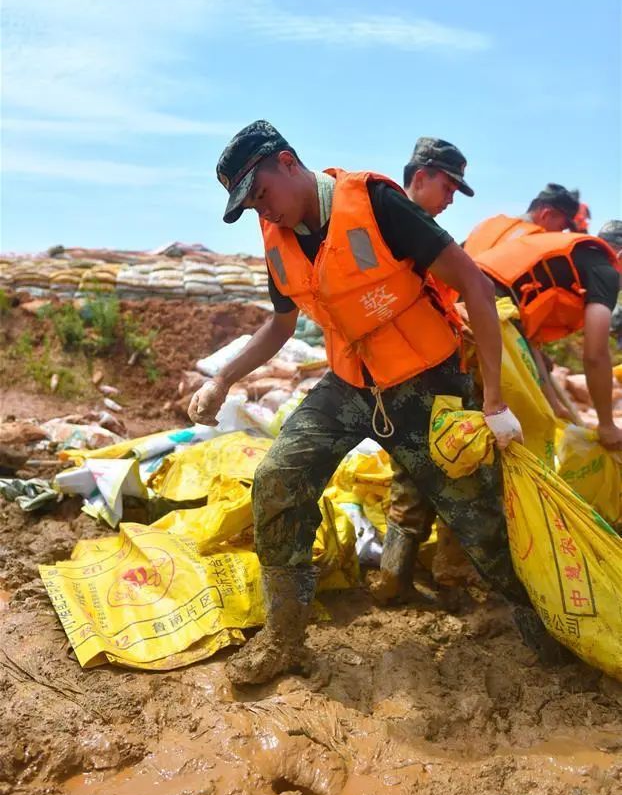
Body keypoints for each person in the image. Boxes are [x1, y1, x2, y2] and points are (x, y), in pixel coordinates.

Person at [188, 120, 565, 685]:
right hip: (350, 384)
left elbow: (475, 285)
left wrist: (493, 400)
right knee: (277, 478)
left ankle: (554, 634)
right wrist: (223, 379)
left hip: (426, 383)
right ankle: (284, 639)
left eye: (262, 194)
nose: (263, 212)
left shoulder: (378, 204)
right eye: (251, 207)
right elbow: (281, 325)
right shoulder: (277, 237)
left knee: (482, 520)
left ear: (288, 162)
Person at [376, 137, 477, 606]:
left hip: (394, 378)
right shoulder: (412, 231)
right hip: (431, 377)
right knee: (460, 472)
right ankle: (452, 584)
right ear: (421, 177)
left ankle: (392, 579)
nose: (452, 198)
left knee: (409, 475)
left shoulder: (383, 230)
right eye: (449, 187)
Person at [472, 227, 622, 449]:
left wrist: (554, 404)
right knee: (527, 423)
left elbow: (529, 339)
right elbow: (595, 355)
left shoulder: (570, 259)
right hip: (488, 310)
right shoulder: (605, 271)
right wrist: (607, 426)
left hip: (468, 301)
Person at [463, 183, 579, 257]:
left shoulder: (489, 226)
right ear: (546, 214)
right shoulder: (534, 243)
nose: (560, 234)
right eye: (561, 228)